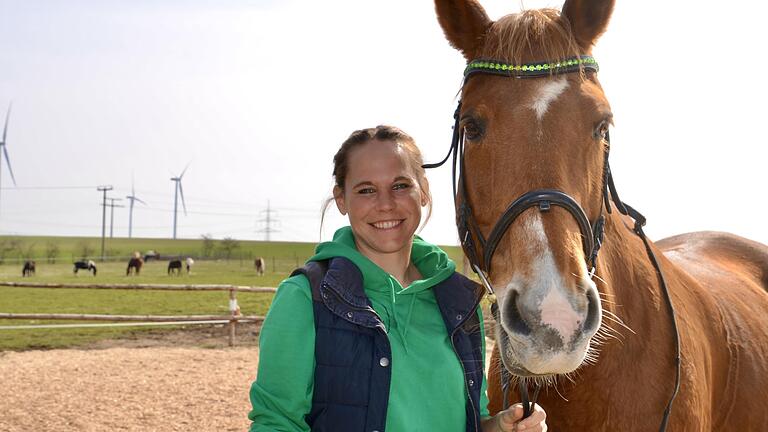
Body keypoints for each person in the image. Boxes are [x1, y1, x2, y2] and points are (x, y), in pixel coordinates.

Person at [248, 125, 547, 432]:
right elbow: (276, 423)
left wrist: (499, 427)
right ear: (341, 199)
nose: (386, 203)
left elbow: (470, 419)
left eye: (400, 185)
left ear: (424, 191)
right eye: (366, 190)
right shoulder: (306, 297)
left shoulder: (458, 301)